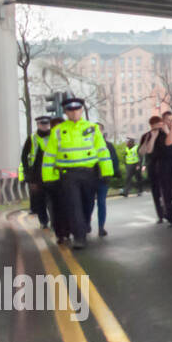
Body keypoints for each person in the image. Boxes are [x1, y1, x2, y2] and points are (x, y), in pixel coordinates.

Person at [40, 95, 113, 250]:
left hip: (88, 173)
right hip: (68, 174)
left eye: (77, 110)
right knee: (74, 205)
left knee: (87, 204)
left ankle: (84, 225)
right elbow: (50, 156)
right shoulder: (58, 131)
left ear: (81, 110)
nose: (74, 113)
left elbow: (102, 151)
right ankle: (79, 237)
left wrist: (107, 172)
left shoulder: (92, 128)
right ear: (66, 112)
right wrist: (48, 178)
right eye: (70, 110)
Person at [83, 123, 120, 238]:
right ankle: (87, 224)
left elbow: (114, 161)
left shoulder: (108, 146)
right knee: (89, 203)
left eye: (99, 130)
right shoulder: (86, 145)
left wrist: (111, 174)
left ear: (102, 131)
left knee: (101, 203)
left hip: (103, 179)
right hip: (89, 179)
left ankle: (101, 227)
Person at [21, 114, 55, 231]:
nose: (44, 126)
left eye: (46, 124)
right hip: (36, 176)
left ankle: (54, 221)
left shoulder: (54, 136)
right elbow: (24, 156)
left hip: (52, 174)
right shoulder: (32, 138)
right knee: (40, 200)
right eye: (42, 124)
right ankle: (43, 221)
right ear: (38, 125)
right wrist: (27, 173)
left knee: (52, 199)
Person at [146, 113, 172, 225]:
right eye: (167, 120)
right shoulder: (156, 134)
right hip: (163, 166)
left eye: (171, 120)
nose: (170, 122)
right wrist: (154, 136)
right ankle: (170, 215)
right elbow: (149, 150)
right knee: (167, 192)